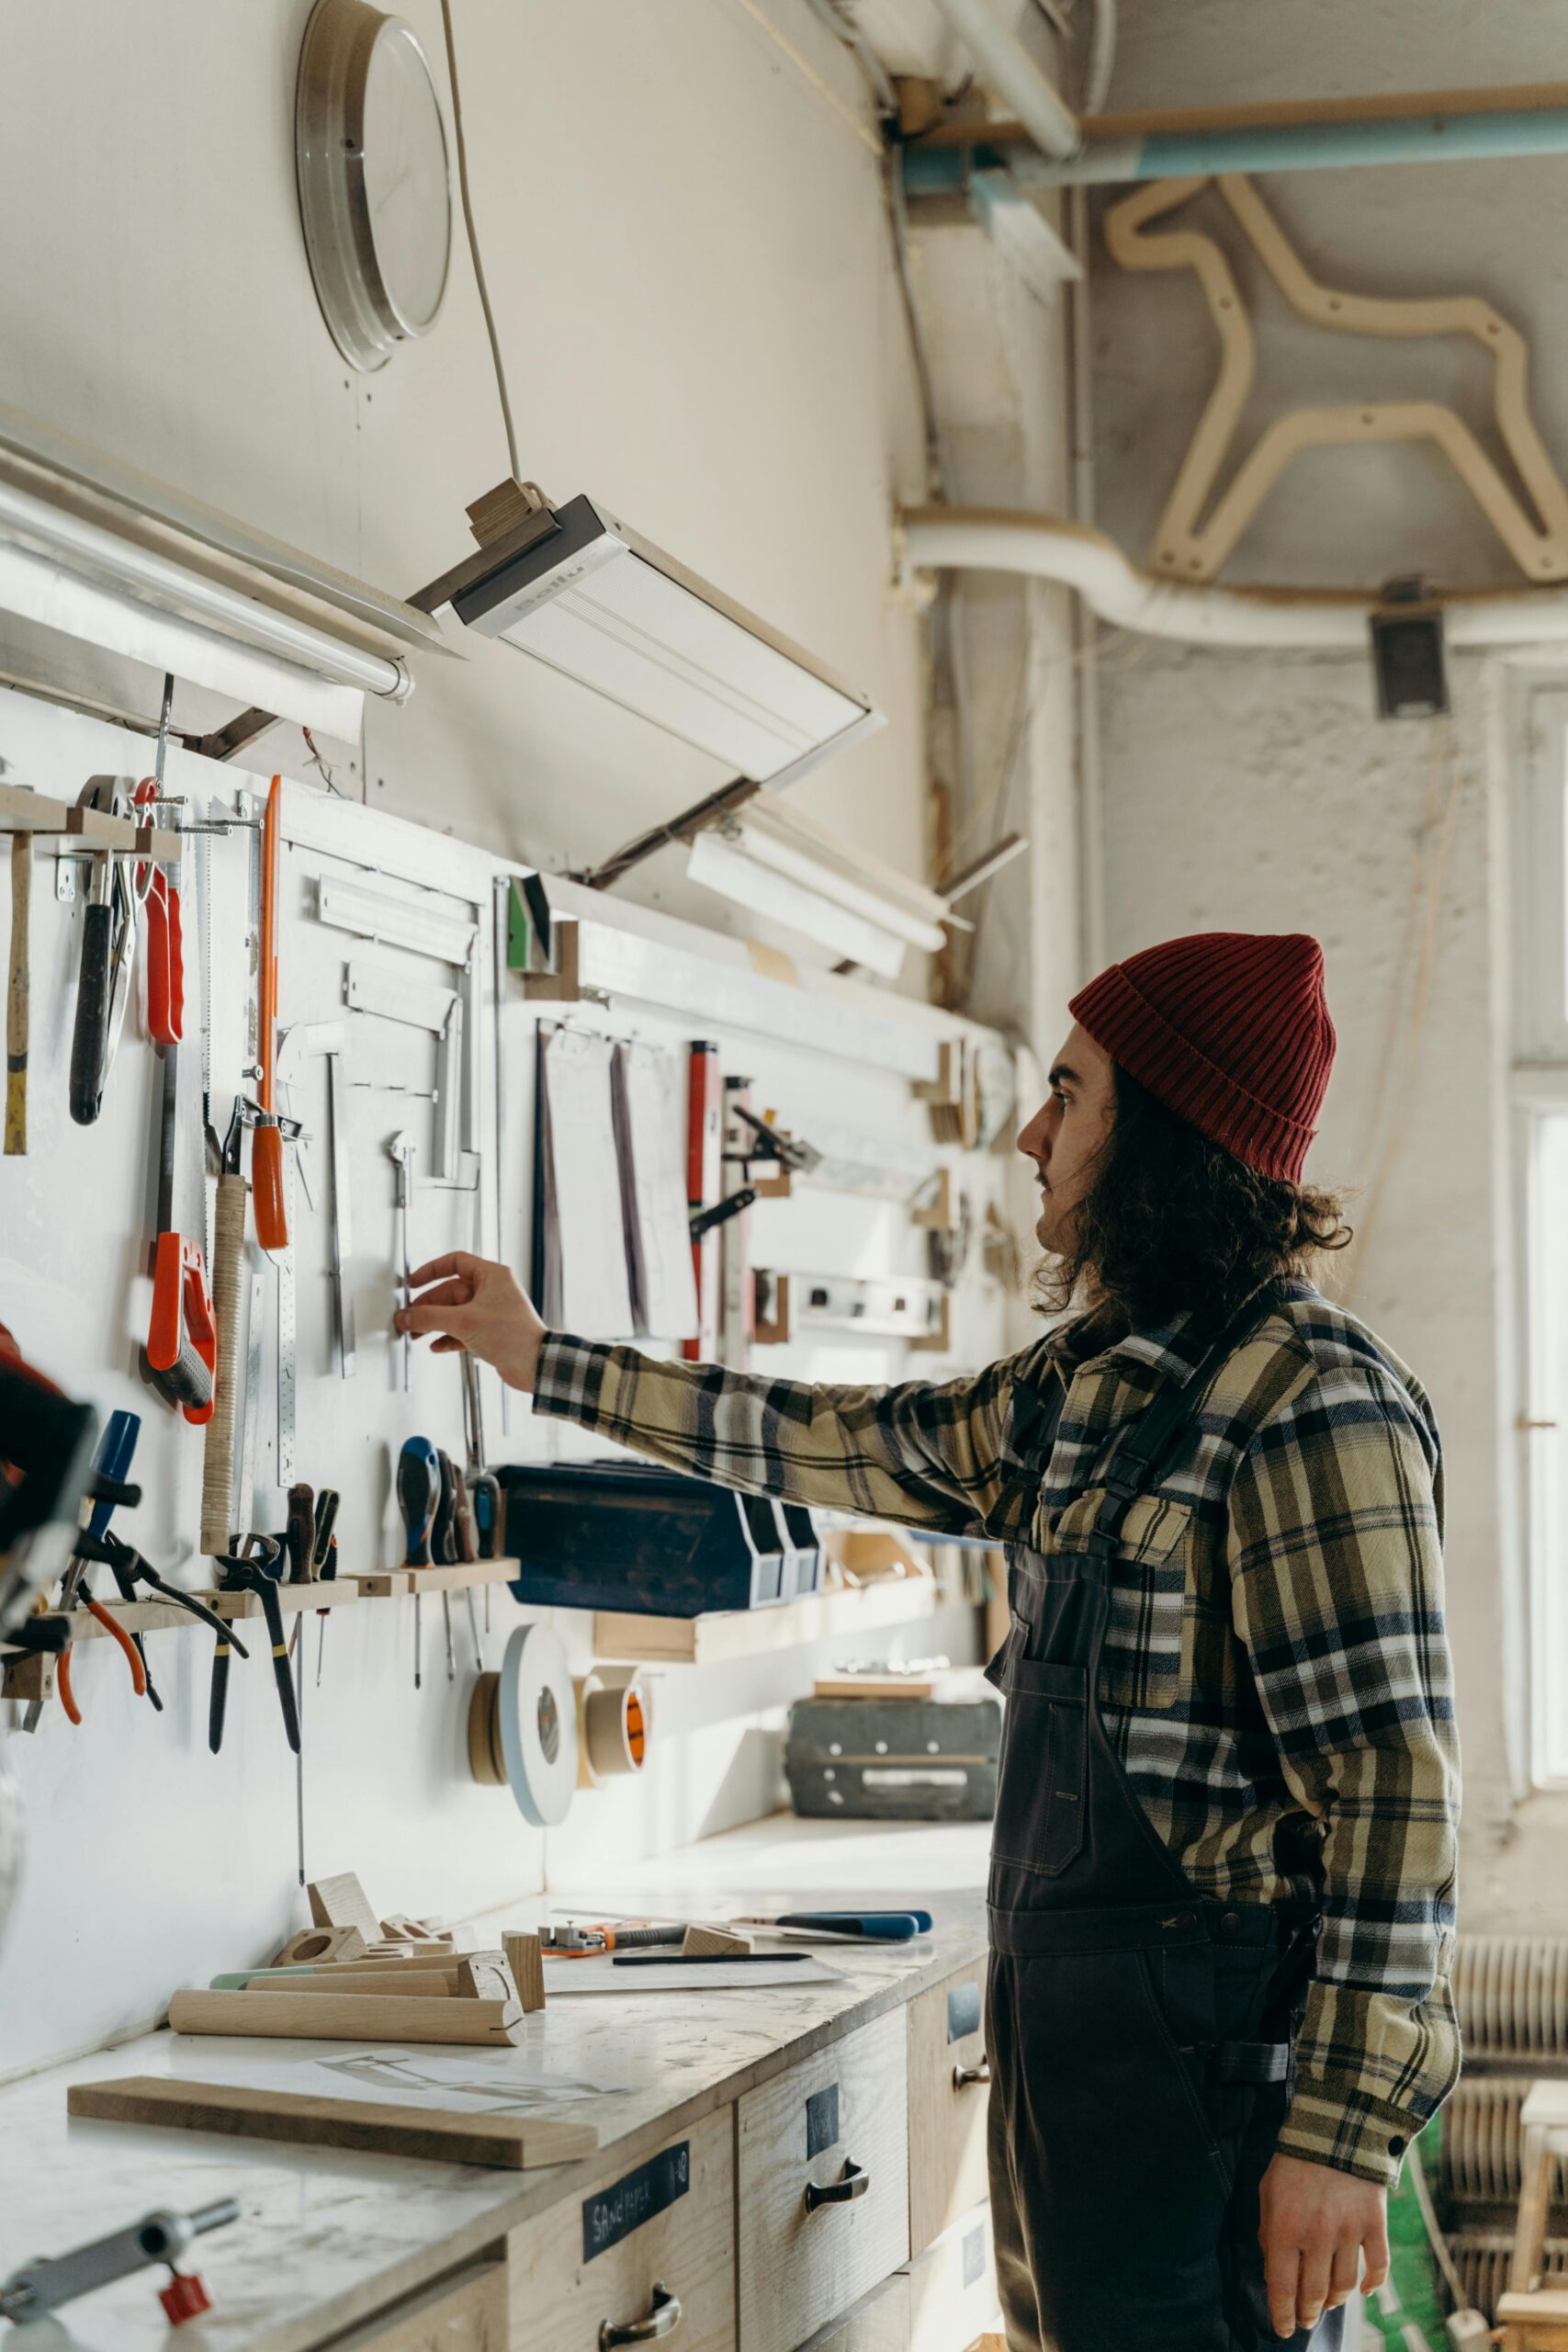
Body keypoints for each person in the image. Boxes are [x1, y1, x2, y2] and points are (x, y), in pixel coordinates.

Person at [397, 930, 1461, 2352]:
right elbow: (836, 1443)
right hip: (1075, 2076)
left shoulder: (1310, 1402)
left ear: (1165, 1139)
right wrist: (546, 1360)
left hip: (1210, 2100)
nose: (1033, 1134)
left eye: (1071, 1096)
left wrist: (1338, 2139)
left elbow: (1393, 1794)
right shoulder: (1089, 1389)